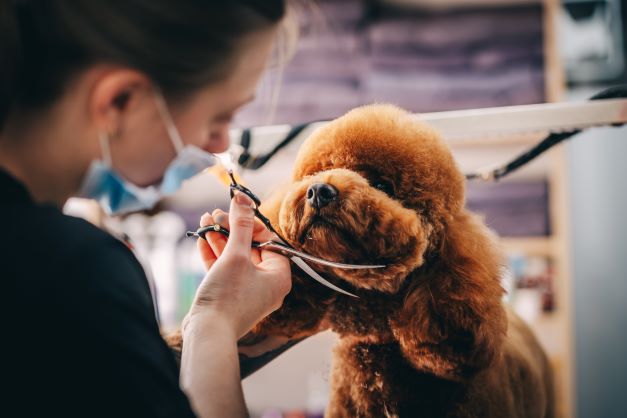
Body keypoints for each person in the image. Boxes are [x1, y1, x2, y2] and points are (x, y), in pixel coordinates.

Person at [0, 1, 296, 417]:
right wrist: (213, 326)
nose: (219, 146)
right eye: (218, 117)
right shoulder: (71, 272)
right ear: (120, 100)